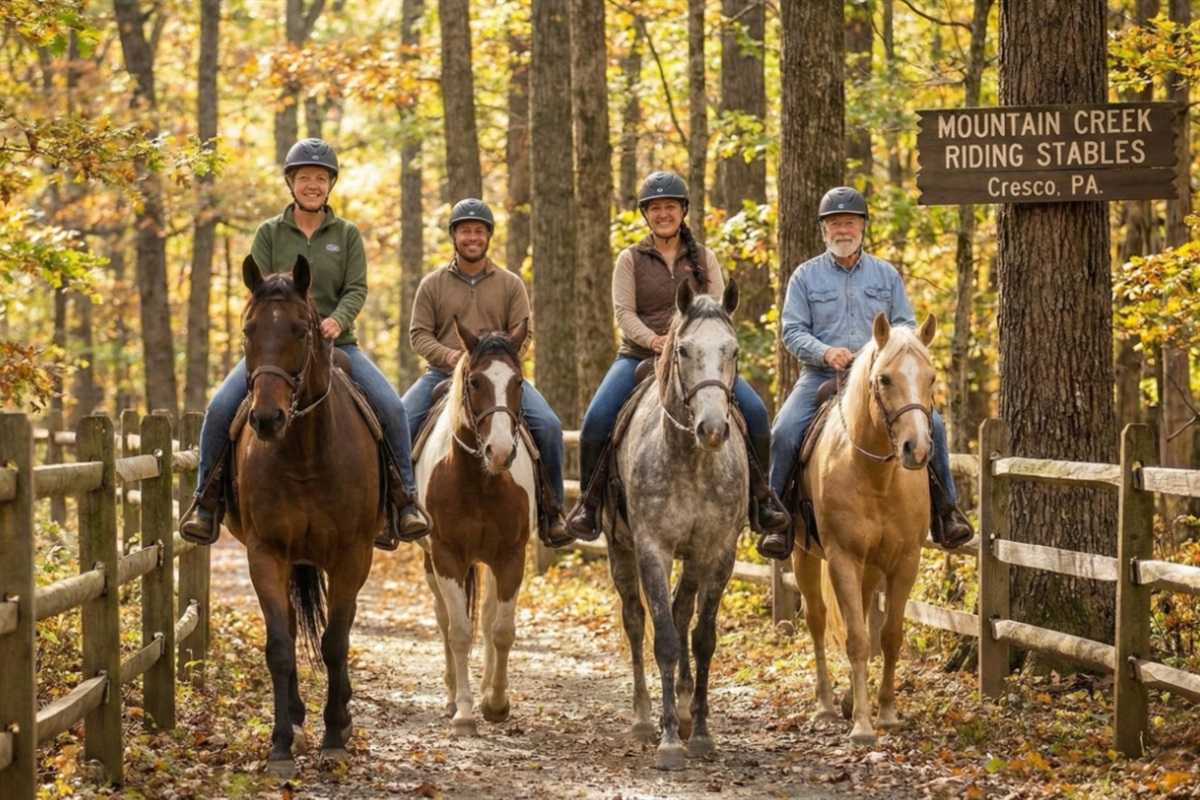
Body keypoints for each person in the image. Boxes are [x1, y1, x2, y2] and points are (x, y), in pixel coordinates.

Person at [179, 138, 429, 550]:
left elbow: (357, 287)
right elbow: (258, 290)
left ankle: (403, 502)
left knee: (391, 408)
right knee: (220, 407)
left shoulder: (346, 234)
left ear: (330, 185)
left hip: (338, 345)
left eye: (320, 178)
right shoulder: (269, 233)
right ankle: (205, 502)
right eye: (304, 177)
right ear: (291, 183)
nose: (312, 184)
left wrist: (337, 320)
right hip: (278, 350)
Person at [565, 171, 790, 543]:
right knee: (596, 417)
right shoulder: (630, 260)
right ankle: (589, 506)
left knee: (756, 413)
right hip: (639, 355)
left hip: (701, 360)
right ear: (646, 215)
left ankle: (762, 500)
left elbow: (720, 310)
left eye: (669, 206)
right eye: (655, 208)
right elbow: (624, 313)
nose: (663, 214)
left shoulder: (704, 258)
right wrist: (655, 341)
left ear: (682, 211)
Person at [762, 185, 974, 560]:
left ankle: (946, 512)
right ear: (824, 230)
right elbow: (791, 331)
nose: (842, 230)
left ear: (863, 227)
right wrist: (826, 352)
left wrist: (884, 352)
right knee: (783, 431)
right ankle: (776, 520)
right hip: (820, 376)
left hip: (881, 379)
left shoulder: (886, 275)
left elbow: (906, 325)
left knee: (934, 425)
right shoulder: (804, 276)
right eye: (835, 224)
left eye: (850, 222)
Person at [402, 197, 571, 547]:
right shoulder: (433, 284)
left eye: (479, 231)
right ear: (454, 236)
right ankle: (399, 507)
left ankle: (552, 512)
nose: (472, 237)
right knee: (399, 419)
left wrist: (501, 363)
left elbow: (524, 332)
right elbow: (418, 333)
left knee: (550, 427)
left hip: (498, 379)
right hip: (443, 374)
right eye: (465, 231)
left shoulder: (510, 284)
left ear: (489, 236)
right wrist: (449, 356)